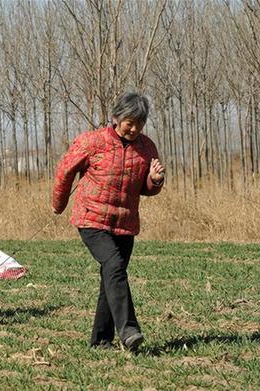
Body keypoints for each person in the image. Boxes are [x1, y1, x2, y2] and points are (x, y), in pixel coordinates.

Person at [52, 92, 165, 351]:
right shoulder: (92, 142)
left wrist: (155, 180)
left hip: (125, 222)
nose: (134, 128)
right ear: (116, 118)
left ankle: (101, 341)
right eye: (129, 122)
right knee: (113, 265)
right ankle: (128, 328)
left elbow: (145, 188)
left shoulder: (147, 148)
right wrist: (58, 205)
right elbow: (65, 171)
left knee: (110, 276)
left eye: (139, 123)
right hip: (92, 218)